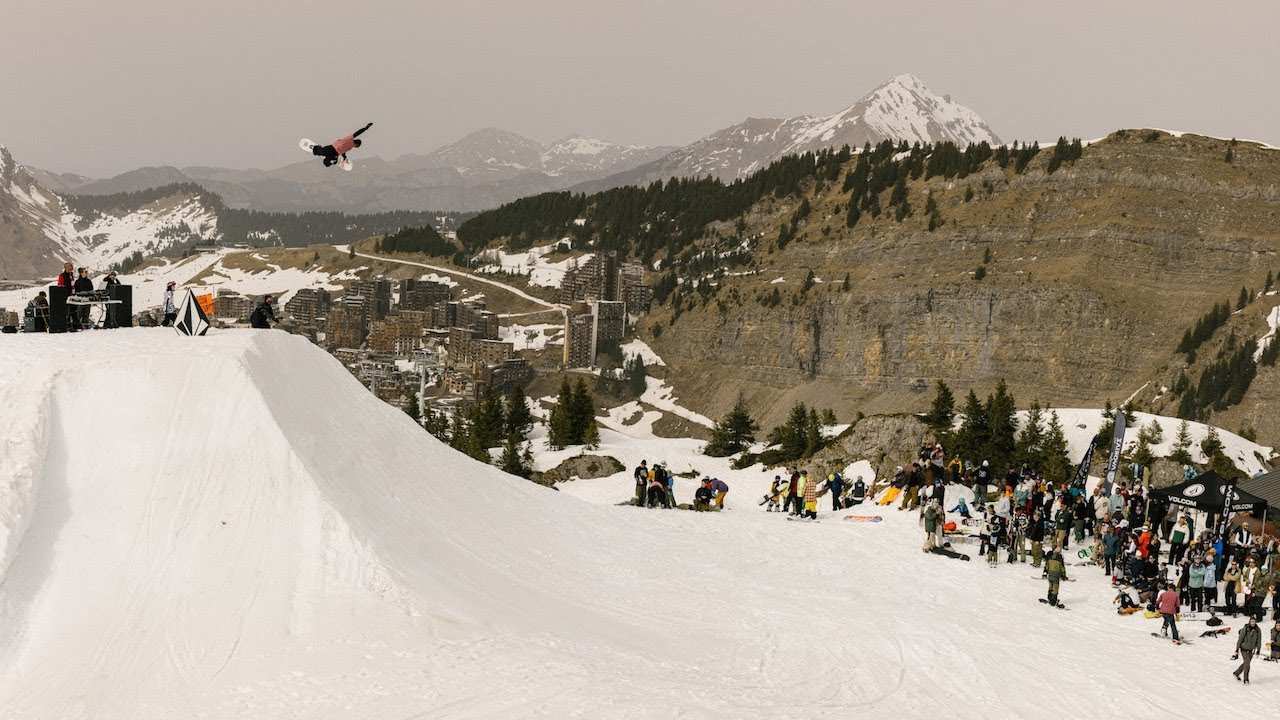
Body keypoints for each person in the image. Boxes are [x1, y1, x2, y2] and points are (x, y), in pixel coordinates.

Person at [1234, 616, 1261, 683]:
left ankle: (1236, 673)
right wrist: (1237, 649)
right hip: (1244, 649)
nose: (1252, 623)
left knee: (1246, 663)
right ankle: (1246, 679)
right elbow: (1240, 639)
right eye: (1251, 621)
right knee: (1247, 664)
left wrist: (1258, 650)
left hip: (1251, 650)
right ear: (1249, 622)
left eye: (1253, 621)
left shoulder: (1258, 630)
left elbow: (1259, 640)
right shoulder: (1245, 629)